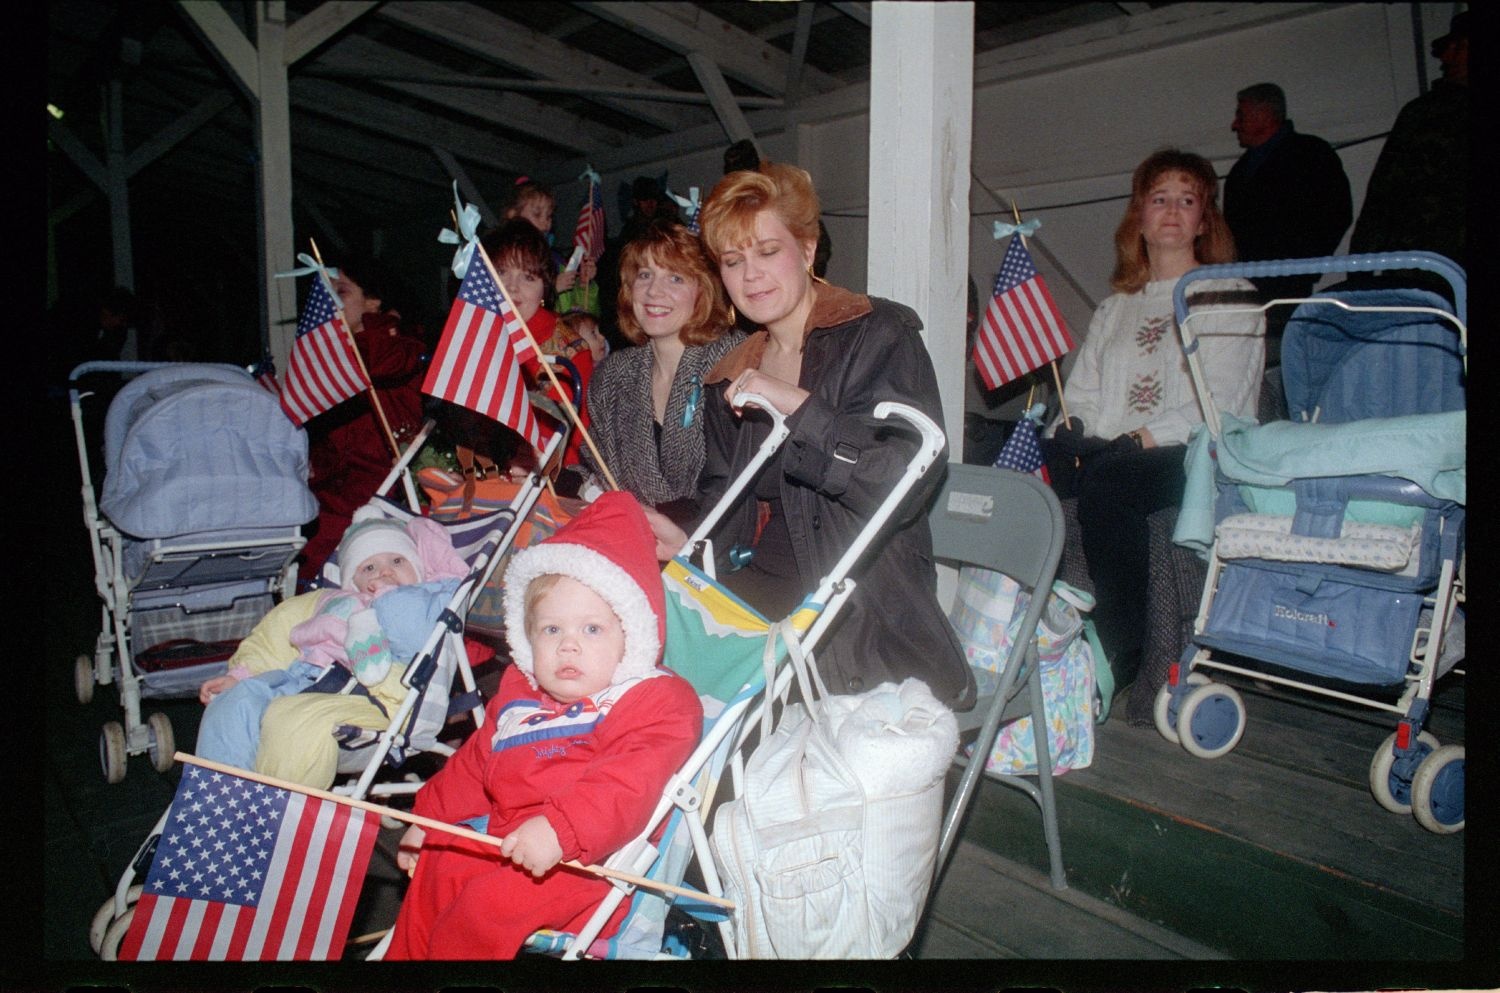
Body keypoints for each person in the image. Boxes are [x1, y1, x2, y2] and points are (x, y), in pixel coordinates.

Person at [645, 161, 975, 710]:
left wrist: (798, 406)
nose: (751, 276)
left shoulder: (879, 333)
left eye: (768, 252)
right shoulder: (728, 373)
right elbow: (725, 503)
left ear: (807, 247)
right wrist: (687, 540)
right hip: (756, 607)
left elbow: (904, 483)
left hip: (857, 615)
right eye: (733, 261)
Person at [385, 491, 703, 960]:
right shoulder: (521, 692)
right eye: (552, 630)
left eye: (591, 629)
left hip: (589, 863)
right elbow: (475, 765)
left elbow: (626, 785)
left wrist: (561, 829)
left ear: (631, 633)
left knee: (483, 910)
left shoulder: (655, 700)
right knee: (442, 862)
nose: (568, 646)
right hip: (507, 837)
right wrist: (428, 822)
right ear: (527, 635)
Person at [1044, 149, 1264, 697]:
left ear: (1204, 218)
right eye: (1158, 199)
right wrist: (1075, 429)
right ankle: (1043, 632)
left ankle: (1123, 645)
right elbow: (1084, 394)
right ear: (1138, 216)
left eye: (1186, 200)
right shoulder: (1115, 308)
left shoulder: (1228, 298)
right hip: (1114, 450)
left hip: (1194, 453)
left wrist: (1136, 438)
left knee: (1111, 481)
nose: (1171, 210)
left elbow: (1219, 405)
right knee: (1042, 462)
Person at [195, 505, 470, 786]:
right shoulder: (335, 601)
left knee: (290, 721)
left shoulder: (425, 598)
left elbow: (451, 574)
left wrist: (391, 593)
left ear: (419, 565)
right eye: (369, 567)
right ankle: (219, 808)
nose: (385, 573)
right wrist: (241, 675)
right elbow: (275, 633)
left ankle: (273, 818)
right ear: (352, 580)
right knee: (233, 703)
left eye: (398, 561)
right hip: (302, 680)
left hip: (375, 697)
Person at [578, 220, 743, 521]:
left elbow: (740, 483)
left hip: (710, 548)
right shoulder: (612, 376)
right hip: (629, 540)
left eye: (676, 279)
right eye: (644, 275)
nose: (654, 291)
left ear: (702, 290)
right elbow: (594, 467)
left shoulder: (734, 360)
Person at [300, 255, 426, 585]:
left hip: (372, 487)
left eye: (340, 293)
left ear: (372, 301)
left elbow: (379, 361)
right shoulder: (331, 353)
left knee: (321, 553)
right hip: (329, 487)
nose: (329, 304)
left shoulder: (393, 343)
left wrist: (367, 330)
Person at [1224, 82, 1352, 340]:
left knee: (1284, 351)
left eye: (1241, 115)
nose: (1234, 125)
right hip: (1245, 288)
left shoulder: (1311, 155)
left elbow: (1336, 213)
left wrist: (1299, 266)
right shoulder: (1241, 171)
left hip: (1289, 286)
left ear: (1265, 115)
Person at [1349, 11, 1469, 281]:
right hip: (1427, 265)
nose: (1447, 57)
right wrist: (1360, 265)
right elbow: (1383, 194)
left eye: (1460, 47)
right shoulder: (1423, 114)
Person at [481, 219, 596, 468]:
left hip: (545, 477)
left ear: (544, 287)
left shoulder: (570, 351)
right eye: (501, 272)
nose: (512, 287)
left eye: (527, 277)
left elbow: (571, 446)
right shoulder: (476, 337)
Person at [503, 177, 600, 314]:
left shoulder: (556, 262)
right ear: (513, 215)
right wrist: (551, 291)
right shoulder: (503, 261)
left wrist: (584, 286)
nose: (545, 224)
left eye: (548, 216)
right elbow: (510, 311)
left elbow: (581, 317)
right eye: (537, 215)